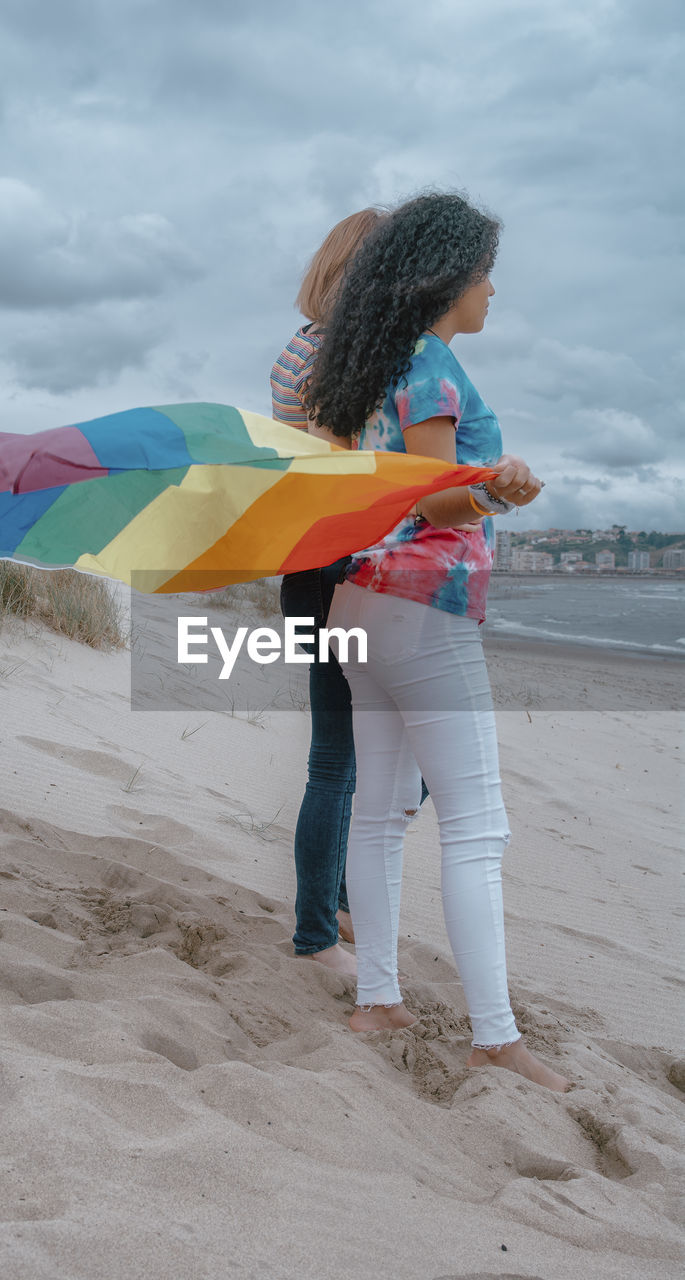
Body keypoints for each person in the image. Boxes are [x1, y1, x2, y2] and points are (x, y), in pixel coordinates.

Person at [307, 192, 571, 1091]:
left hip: (361, 604)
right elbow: (424, 497)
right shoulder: (425, 366)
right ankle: (494, 1037)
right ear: (446, 279)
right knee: (476, 825)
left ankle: (378, 998)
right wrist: (501, 492)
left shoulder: (370, 364)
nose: (492, 290)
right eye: (484, 273)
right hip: (422, 610)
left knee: (379, 817)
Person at [270, 210, 384, 977]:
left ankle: (335, 909)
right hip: (342, 569)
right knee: (345, 765)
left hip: (306, 568)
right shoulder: (347, 364)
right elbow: (353, 473)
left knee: (346, 763)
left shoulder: (295, 352)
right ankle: (319, 930)